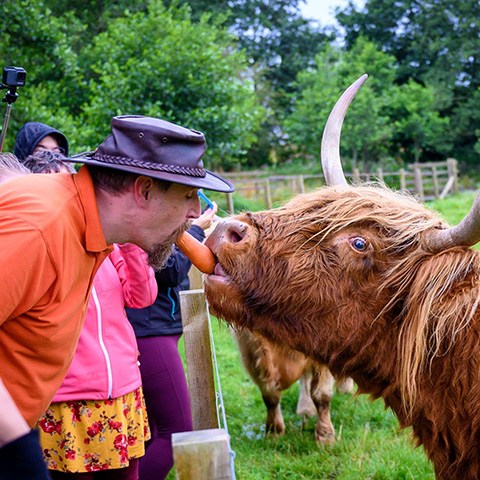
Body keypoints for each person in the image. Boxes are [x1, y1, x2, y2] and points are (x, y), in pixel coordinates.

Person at [0, 115, 234, 479]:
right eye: (187, 194)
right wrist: (19, 456)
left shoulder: (92, 230)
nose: (194, 211)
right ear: (143, 190)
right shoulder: (41, 227)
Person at [20, 153, 154, 479]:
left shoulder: (107, 245)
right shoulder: (36, 246)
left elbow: (142, 296)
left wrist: (133, 238)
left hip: (122, 390)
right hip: (66, 400)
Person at [126, 201, 218, 480]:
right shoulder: (147, 223)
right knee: (175, 431)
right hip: (150, 331)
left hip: (154, 327)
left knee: (153, 429)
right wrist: (196, 231)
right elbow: (170, 271)